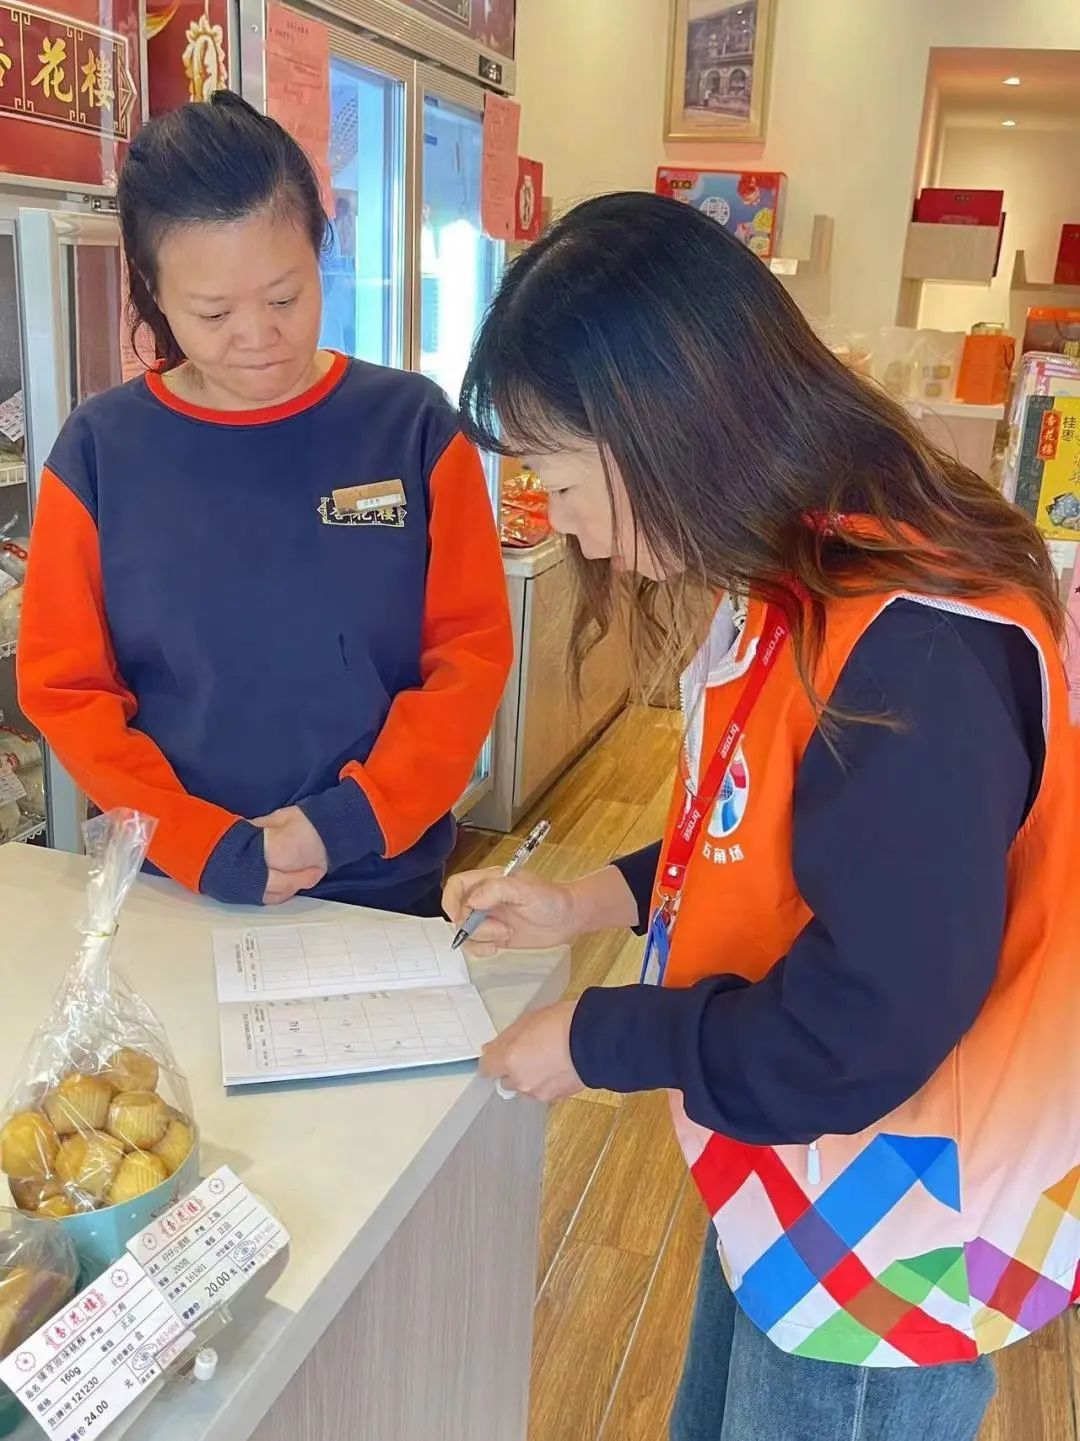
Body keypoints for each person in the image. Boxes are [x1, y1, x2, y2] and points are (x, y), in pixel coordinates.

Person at [445, 193, 1080, 1440]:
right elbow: (776, 834)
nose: (560, 519)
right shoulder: (809, 563)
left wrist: (599, 1037)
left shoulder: (915, 648)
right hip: (803, 1181)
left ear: (668, 425)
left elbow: (860, 1029)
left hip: (899, 1238)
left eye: (562, 479)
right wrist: (585, 900)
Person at [19, 92, 511, 914]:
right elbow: (67, 687)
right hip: (178, 884)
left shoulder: (412, 428)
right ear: (153, 291)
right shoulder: (100, 451)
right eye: (213, 312)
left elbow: (470, 653)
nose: (256, 336)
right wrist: (197, 840)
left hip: (381, 879)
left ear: (321, 250)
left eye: (285, 297)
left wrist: (350, 819)